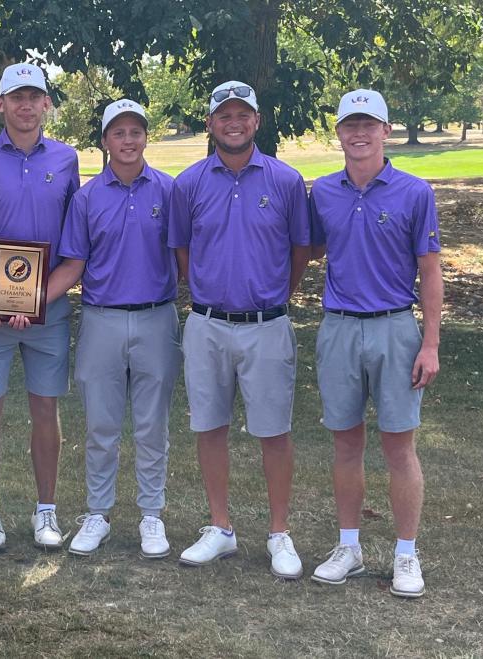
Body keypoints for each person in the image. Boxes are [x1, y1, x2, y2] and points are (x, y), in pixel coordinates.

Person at [168, 81, 310, 579]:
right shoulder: (187, 184)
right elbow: (183, 254)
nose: (233, 122)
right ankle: (220, 528)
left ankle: (278, 532)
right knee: (209, 425)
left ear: (256, 120)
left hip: (267, 325)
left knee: (274, 430)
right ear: (210, 123)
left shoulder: (286, 180)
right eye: (223, 115)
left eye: (242, 115)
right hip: (207, 324)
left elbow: (300, 253)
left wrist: (274, 297)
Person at [308, 90, 442, 599]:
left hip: (394, 327)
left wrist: (429, 343)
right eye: (349, 125)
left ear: (386, 130)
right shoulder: (322, 191)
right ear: (338, 132)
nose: (358, 133)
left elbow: (430, 272)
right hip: (338, 326)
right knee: (345, 442)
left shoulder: (414, 192)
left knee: (398, 445)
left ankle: (406, 554)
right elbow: (310, 249)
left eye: (369, 124)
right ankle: (349, 547)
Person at [48, 99, 182, 558]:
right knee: (102, 425)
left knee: (152, 424)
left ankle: (151, 516)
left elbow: (186, 258)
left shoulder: (169, 190)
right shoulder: (87, 198)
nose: (128, 141)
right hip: (102, 318)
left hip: (156, 317)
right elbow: (74, 265)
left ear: (146, 137)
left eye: (136, 132)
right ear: (104, 141)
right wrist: (24, 303)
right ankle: (98, 513)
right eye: (118, 133)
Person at [0, 63, 80, 550]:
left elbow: (77, 248)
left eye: (35, 96)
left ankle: (46, 511)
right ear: (0, 104)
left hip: (47, 312)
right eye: (17, 97)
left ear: (47, 103)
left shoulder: (68, 159)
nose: (26, 105)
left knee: (45, 410)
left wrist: (35, 301)